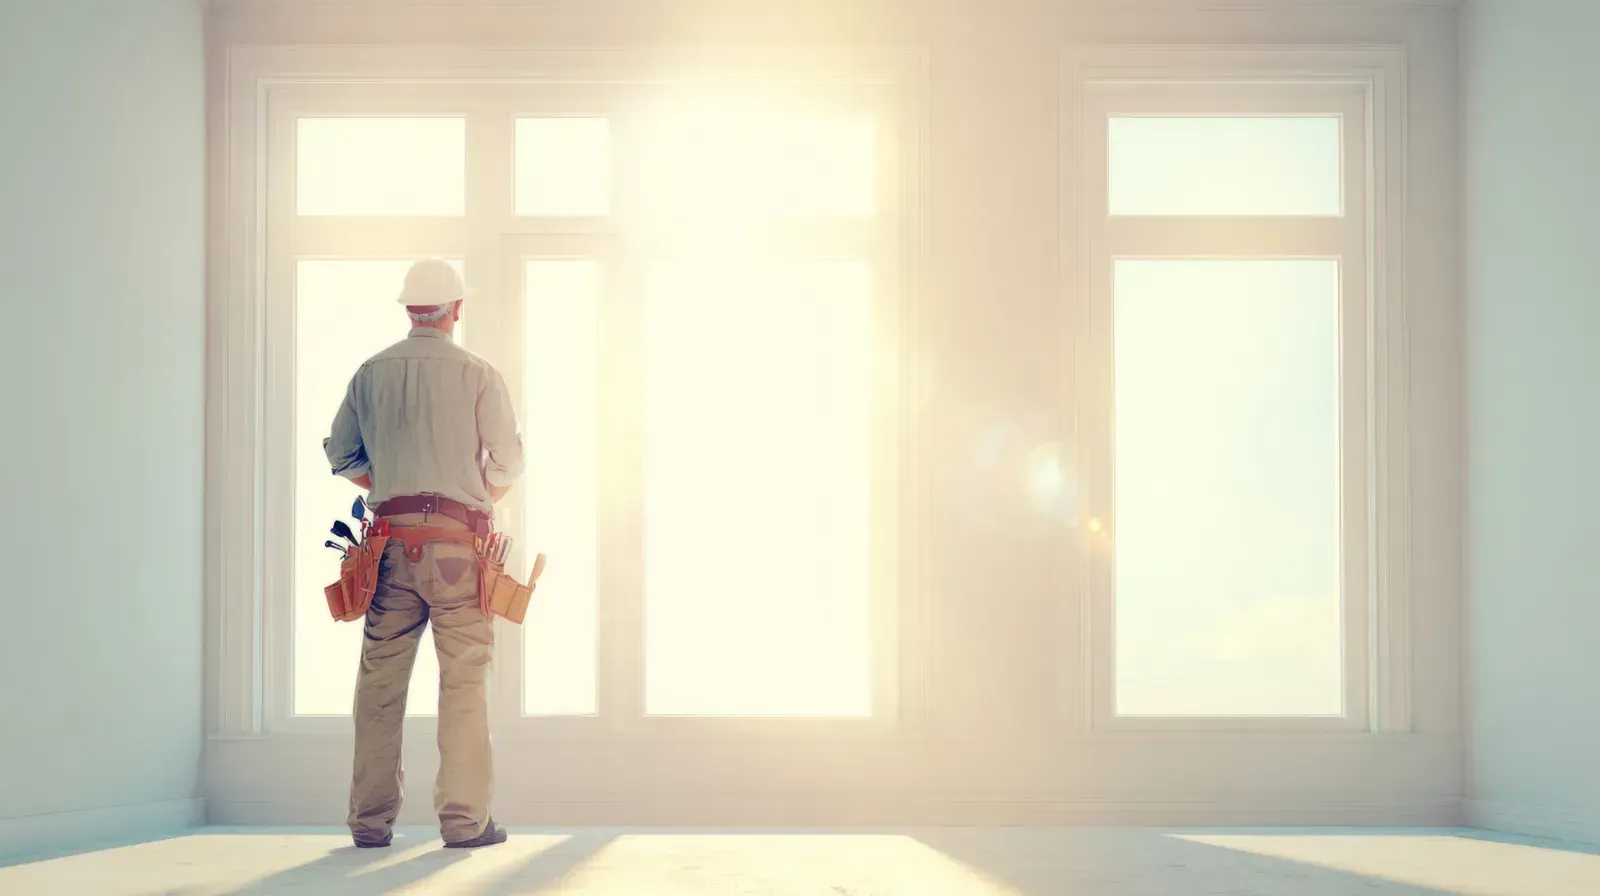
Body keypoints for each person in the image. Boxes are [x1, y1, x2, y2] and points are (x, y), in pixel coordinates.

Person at [323, 258, 524, 849]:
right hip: (460, 549)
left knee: (379, 686)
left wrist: (390, 485)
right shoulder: (479, 373)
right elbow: (511, 462)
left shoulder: (370, 372)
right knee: (463, 685)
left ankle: (369, 824)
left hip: (387, 550)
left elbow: (340, 455)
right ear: (456, 309)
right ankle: (465, 824)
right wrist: (472, 497)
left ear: (408, 309)